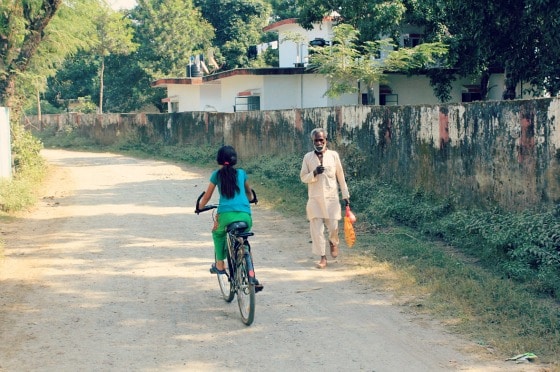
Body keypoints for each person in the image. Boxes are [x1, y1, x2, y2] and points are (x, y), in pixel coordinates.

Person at [197, 145, 262, 290]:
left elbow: (207, 197)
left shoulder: (216, 175)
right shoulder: (242, 173)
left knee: (217, 233)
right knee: (243, 240)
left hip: (225, 215)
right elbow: (249, 192)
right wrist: (251, 199)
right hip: (246, 216)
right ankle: (250, 271)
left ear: (219, 159)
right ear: (235, 160)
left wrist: (200, 207)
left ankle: (220, 264)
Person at [300, 128, 350, 269]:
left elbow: (340, 176)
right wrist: (314, 173)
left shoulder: (333, 156)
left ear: (326, 140)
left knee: (333, 226)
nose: (319, 142)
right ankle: (322, 257)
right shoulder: (308, 158)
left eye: (321, 140)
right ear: (313, 141)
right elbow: (303, 177)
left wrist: (345, 194)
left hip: (331, 198)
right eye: (316, 140)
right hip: (315, 199)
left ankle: (333, 242)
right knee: (316, 230)